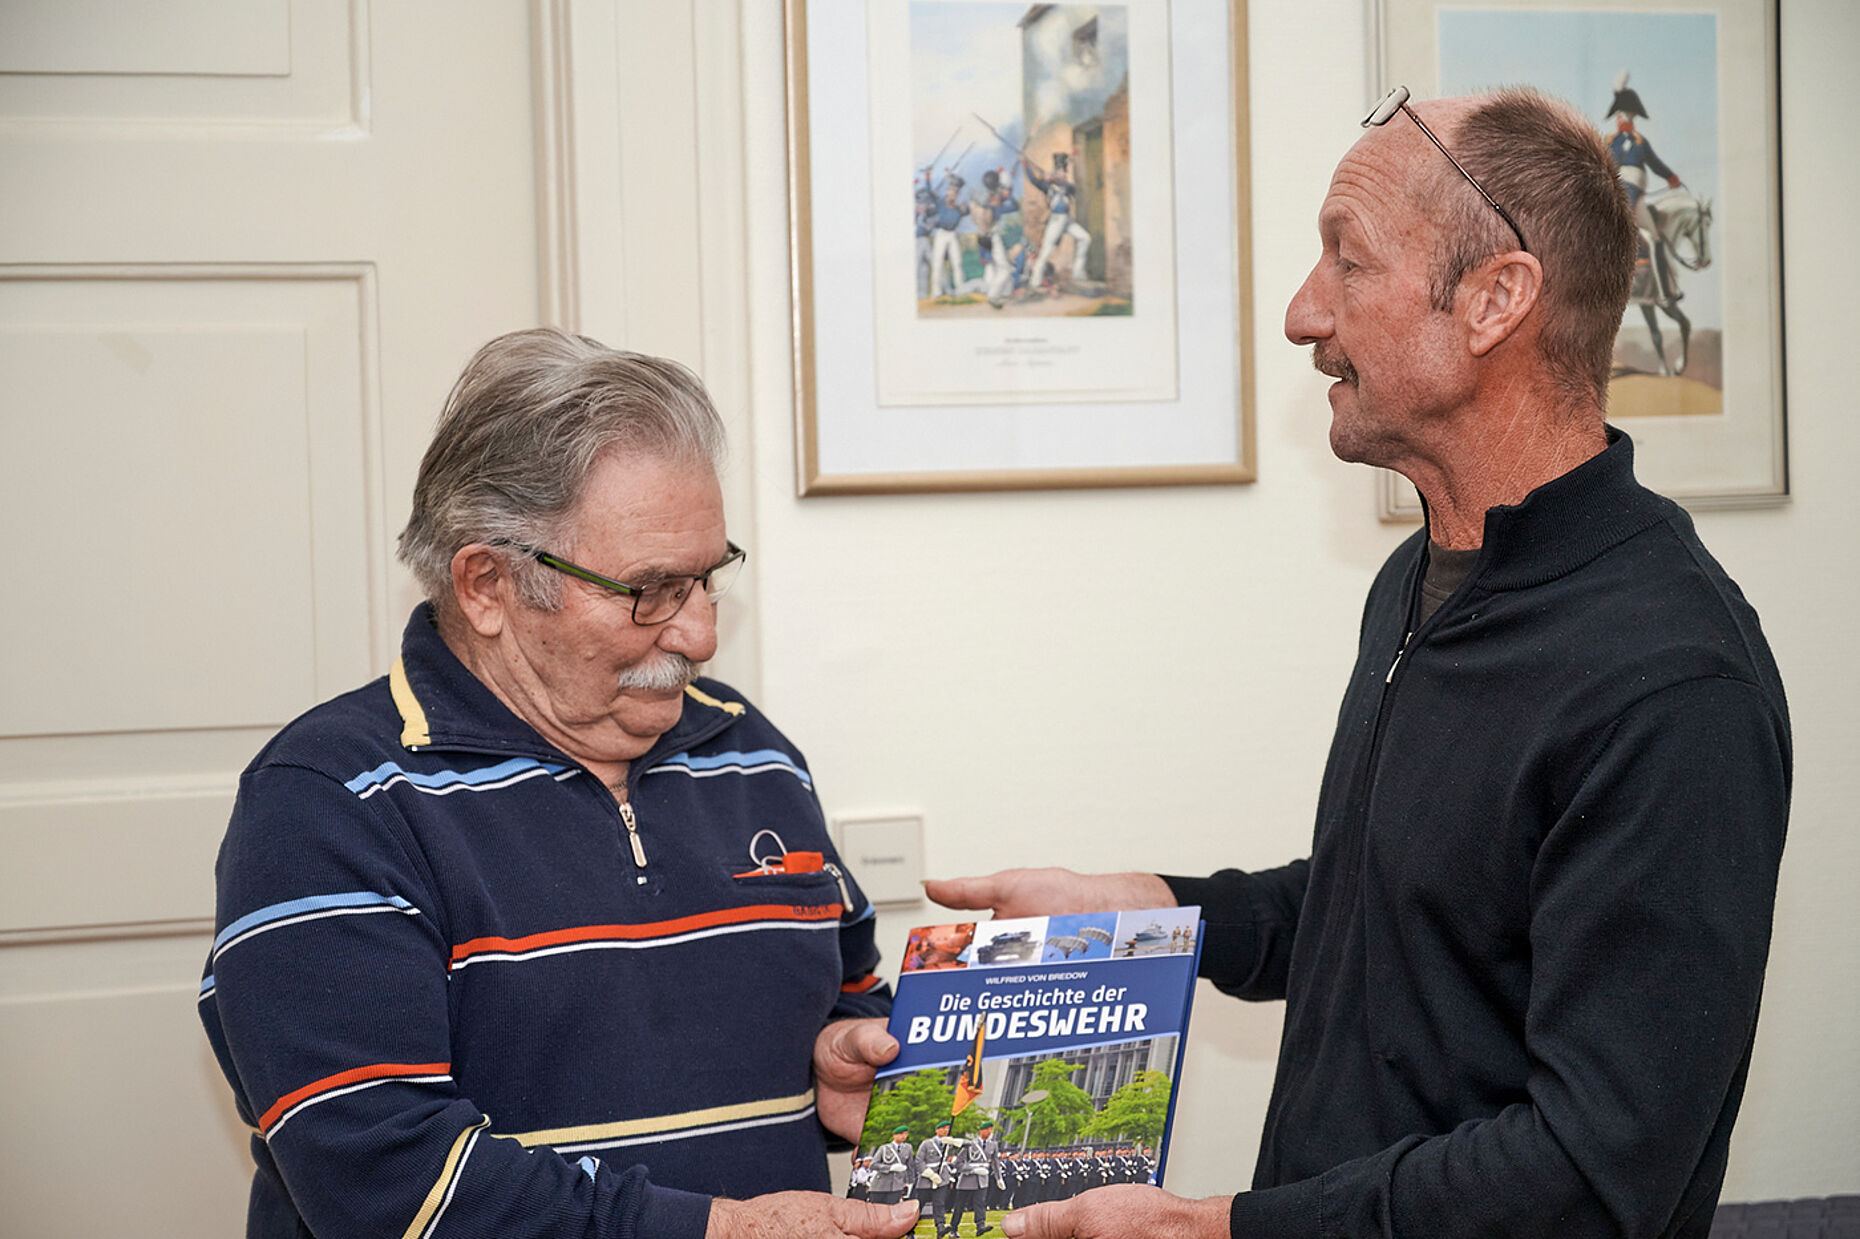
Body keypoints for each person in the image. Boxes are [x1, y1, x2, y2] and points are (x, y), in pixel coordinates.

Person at [932, 87, 1790, 1239]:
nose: (1301, 312)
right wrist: (1146, 917)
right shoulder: (1420, 577)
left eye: (1348, 262)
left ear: (1496, 299)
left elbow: (1594, 1173)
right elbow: (1393, 915)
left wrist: (1217, 1228)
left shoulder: (1673, 685)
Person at [199, 328, 918, 1239]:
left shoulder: (753, 751)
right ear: (488, 583)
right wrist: (715, 1230)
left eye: (707, 577)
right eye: (651, 589)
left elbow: (847, 993)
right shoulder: (330, 799)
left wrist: (843, 1063)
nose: (699, 632)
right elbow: (384, 1181)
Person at [1020, 150, 1091, 292]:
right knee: (1046, 251)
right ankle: (1035, 281)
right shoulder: (1048, 186)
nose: (1062, 174)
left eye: (1063, 172)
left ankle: (1078, 272)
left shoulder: (1066, 186)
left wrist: (1059, 181)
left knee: (1085, 238)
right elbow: (1034, 180)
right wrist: (1026, 165)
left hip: (1067, 221)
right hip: (1056, 220)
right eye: (1059, 172)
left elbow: (1073, 189)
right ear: (1054, 172)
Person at [949, 1120, 1002, 1236]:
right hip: (967, 1180)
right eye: (987, 1129)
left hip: (982, 1180)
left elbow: (995, 1162)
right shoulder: (970, 1144)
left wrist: (999, 1178)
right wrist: (972, 1170)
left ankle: (980, 1226)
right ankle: (953, 1229)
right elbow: (958, 1163)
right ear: (981, 1131)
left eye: (991, 1130)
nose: (989, 1132)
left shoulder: (993, 1145)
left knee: (980, 1203)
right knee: (960, 1206)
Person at [914, 1117, 961, 1235]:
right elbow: (919, 1161)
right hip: (926, 1179)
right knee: (920, 1204)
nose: (946, 1131)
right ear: (937, 1130)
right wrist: (930, 1174)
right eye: (943, 1128)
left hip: (942, 1178)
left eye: (947, 1129)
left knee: (939, 1203)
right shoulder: (926, 1143)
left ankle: (940, 1226)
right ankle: (910, 1229)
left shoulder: (948, 1144)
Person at [868, 1126, 916, 1206]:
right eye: (901, 1134)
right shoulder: (884, 1148)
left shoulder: (908, 1148)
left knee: (892, 1210)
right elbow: (873, 1165)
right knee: (877, 1210)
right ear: (894, 1135)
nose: (903, 1136)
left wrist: (910, 1182)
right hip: (880, 1186)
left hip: (897, 1186)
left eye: (905, 1134)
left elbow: (910, 1166)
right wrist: (890, 1168)